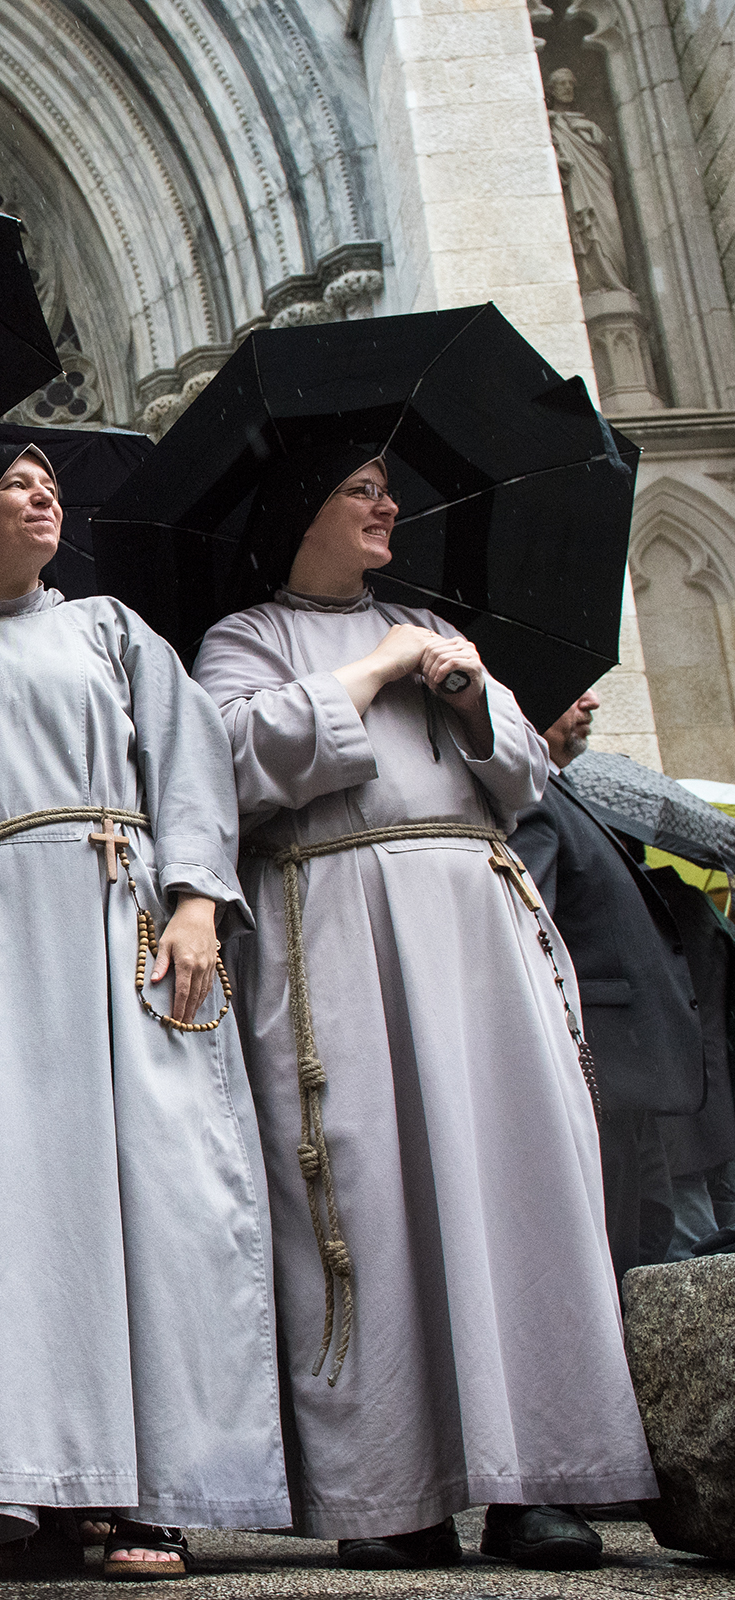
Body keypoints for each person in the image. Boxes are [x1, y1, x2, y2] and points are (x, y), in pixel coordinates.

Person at [194, 448, 656, 1570]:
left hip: (474, 935)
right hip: (338, 931)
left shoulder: (434, 629)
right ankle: (387, 1489)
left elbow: (524, 779)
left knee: (513, 1186)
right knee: (364, 1195)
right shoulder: (241, 640)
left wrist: (458, 684)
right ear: (302, 507)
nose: (386, 504)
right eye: (359, 486)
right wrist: (376, 669)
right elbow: (229, 761)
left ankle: (535, 1477)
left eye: (384, 487)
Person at [0, 441, 284, 1579]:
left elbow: (189, 762)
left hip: (112, 927)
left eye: (51, 484)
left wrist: (194, 898)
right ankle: (17, 1490)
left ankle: (151, 1488)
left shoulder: (110, 628)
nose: (45, 497)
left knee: (149, 1196)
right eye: (18, 482)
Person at [509, 690, 719, 1277]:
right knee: (623, 1248)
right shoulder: (531, 797)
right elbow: (532, 937)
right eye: (571, 692)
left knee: (646, 1237)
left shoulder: (559, 790)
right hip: (602, 1072)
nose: (593, 701)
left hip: (630, 1081)